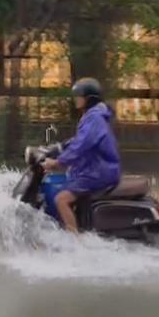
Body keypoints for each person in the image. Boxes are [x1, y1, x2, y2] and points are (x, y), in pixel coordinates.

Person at [42, 78, 121, 233]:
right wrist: (58, 147)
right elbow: (79, 140)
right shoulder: (94, 115)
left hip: (98, 171)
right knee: (65, 184)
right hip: (95, 168)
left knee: (61, 199)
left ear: (89, 99)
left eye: (79, 96)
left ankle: (75, 243)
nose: (76, 99)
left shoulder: (94, 118)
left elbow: (81, 146)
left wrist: (57, 162)